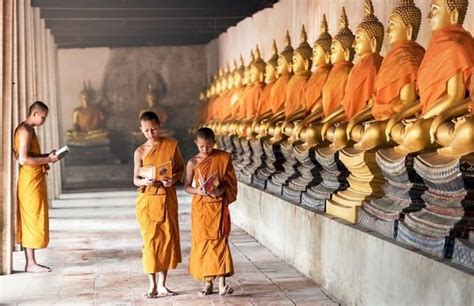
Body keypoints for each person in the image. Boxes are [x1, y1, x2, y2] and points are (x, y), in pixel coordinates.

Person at [133, 111, 184, 298]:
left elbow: (180, 170)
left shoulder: (171, 146)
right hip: (147, 201)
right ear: (141, 130)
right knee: (150, 243)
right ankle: (152, 285)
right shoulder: (139, 151)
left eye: (153, 129)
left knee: (166, 240)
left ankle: (162, 285)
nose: (150, 133)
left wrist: (173, 180)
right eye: (146, 130)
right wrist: (144, 182)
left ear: (159, 126)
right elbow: (135, 179)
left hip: (167, 197)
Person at [184, 127, 237, 296]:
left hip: (217, 205)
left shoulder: (223, 158)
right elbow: (186, 186)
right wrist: (198, 191)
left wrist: (220, 191)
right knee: (203, 243)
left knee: (219, 242)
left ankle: (222, 284)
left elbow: (230, 184)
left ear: (214, 143)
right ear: (196, 144)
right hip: (200, 207)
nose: (205, 150)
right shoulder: (192, 163)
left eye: (208, 146)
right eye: (201, 147)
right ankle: (207, 283)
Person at [14, 101, 59, 273]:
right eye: (43, 117)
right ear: (34, 113)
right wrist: (48, 160)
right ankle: (30, 263)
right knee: (31, 218)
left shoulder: (30, 130)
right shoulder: (24, 131)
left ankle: (31, 262)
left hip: (34, 178)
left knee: (35, 216)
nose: (44, 120)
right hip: (29, 180)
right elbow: (23, 159)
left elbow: (31, 155)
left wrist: (48, 156)